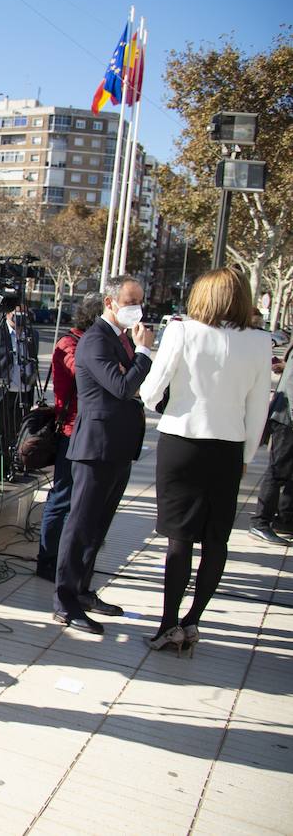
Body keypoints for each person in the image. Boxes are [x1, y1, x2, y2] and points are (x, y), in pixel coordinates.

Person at [140, 269, 271, 650]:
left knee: (179, 538)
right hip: (229, 447)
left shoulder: (182, 330)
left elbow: (150, 391)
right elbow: (258, 409)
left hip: (182, 440)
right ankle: (192, 621)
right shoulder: (261, 342)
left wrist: (169, 400)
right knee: (217, 540)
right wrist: (245, 455)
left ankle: (168, 625)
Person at [53, 274, 155, 635]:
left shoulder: (121, 339)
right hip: (95, 447)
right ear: (110, 303)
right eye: (130, 301)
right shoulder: (95, 340)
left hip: (118, 446)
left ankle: (82, 590)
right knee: (80, 525)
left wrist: (137, 352)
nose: (137, 309)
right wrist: (144, 354)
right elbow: (122, 386)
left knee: (99, 527)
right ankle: (64, 601)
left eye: (140, 301)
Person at [36, 294, 105, 580]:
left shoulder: (90, 344)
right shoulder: (70, 343)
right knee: (62, 496)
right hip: (71, 430)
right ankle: (47, 559)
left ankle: (69, 559)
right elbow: (89, 373)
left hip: (91, 431)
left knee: (80, 499)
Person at [0, 299, 40, 468]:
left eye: (24, 314)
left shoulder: (31, 335)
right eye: (16, 315)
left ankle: (8, 466)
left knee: (13, 433)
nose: (20, 319)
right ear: (7, 313)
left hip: (21, 391)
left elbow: (33, 360)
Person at [251, 344, 293, 544]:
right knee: (278, 471)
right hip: (287, 418)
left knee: (288, 471)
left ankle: (285, 520)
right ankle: (260, 522)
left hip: (287, 416)